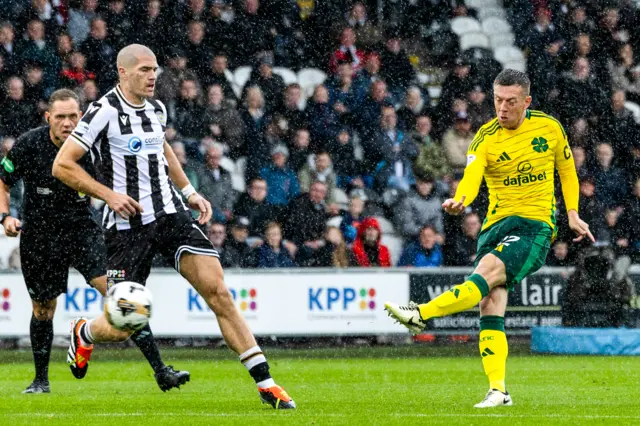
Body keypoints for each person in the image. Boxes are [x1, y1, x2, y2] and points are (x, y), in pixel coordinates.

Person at [52, 44, 295, 409]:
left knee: (218, 292)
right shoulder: (103, 112)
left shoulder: (156, 108)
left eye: (155, 70)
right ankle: (84, 331)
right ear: (123, 72)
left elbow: (161, 148)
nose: (153, 77)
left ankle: (267, 384)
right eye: (145, 70)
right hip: (126, 227)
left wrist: (189, 191)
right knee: (121, 325)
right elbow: (63, 165)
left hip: (170, 216)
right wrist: (108, 195)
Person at [384, 69, 593, 408]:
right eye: (498, 100)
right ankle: (499, 389)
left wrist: (571, 212)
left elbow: (566, 170)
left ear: (526, 101)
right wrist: (461, 199)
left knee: (483, 278)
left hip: (534, 226)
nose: (502, 108)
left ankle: (421, 313)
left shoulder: (549, 128)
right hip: (495, 227)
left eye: (511, 101)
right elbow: (472, 175)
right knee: (489, 303)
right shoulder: (484, 137)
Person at [0, 89, 186, 394]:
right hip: (40, 235)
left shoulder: (94, 145)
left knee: (121, 296)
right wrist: (5, 217)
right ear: (48, 118)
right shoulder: (28, 144)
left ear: (82, 116)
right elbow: (3, 181)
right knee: (43, 309)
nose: (68, 122)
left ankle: (161, 370)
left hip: (82, 230)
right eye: (60, 117)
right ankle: (40, 381)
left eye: (74, 116)